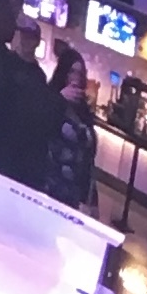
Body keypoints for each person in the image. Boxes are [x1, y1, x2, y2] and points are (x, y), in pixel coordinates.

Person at [43, 42, 98, 209]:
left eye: (80, 73)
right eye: (72, 71)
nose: (76, 77)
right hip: (50, 184)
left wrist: (91, 199)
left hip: (73, 191)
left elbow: (88, 158)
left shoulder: (83, 110)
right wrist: (59, 100)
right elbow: (41, 127)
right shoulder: (50, 97)